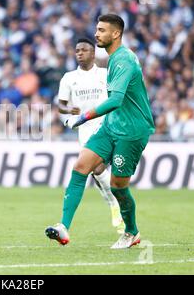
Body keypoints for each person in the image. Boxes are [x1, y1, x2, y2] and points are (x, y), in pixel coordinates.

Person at [46, 14, 155, 249]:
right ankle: (63, 226)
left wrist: (83, 117)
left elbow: (115, 100)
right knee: (80, 167)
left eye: (102, 30)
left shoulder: (123, 60)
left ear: (116, 34)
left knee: (118, 186)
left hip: (131, 130)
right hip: (111, 125)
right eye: (96, 29)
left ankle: (131, 232)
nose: (97, 34)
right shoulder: (110, 60)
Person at [57, 37, 124, 235]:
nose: (79, 53)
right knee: (96, 169)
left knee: (100, 169)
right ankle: (113, 203)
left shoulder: (105, 74)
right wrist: (68, 108)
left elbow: (116, 96)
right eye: (77, 50)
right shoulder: (69, 78)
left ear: (93, 53)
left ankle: (114, 203)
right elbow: (61, 105)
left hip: (107, 125)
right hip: (85, 129)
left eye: (84, 50)